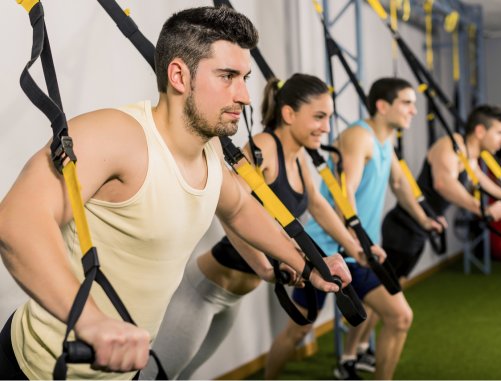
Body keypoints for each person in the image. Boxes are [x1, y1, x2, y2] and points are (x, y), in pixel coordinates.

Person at [0, 7, 352, 380]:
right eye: (228, 76)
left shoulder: (211, 152)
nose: (245, 96)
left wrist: (306, 260)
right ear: (180, 75)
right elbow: (16, 223)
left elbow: (239, 208)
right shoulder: (118, 136)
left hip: (122, 371)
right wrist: (92, 323)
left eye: (245, 77)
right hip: (36, 367)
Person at [140, 73, 385, 380]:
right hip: (202, 292)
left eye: (328, 118)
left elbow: (319, 206)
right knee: (157, 376)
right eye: (319, 117)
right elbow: (230, 210)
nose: (326, 128)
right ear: (289, 114)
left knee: (185, 374)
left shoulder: (297, 159)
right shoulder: (264, 147)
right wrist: (264, 267)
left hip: (233, 298)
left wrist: (356, 250)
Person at [263, 77, 443, 380]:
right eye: (407, 103)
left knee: (399, 317)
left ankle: (351, 360)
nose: (414, 110)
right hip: (328, 248)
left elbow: (398, 183)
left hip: (353, 249)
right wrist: (358, 241)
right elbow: (344, 195)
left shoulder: (385, 141)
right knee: (298, 331)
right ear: (383, 106)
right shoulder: (361, 137)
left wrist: (425, 219)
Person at [383, 104, 501, 278]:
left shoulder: (470, 154)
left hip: (422, 227)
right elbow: (443, 184)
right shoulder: (451, 146)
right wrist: (483, 209)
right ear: (480, 131)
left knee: (390, 286)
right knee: (383, 289)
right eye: (499, 133)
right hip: (404, 226)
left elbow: (479, 178)